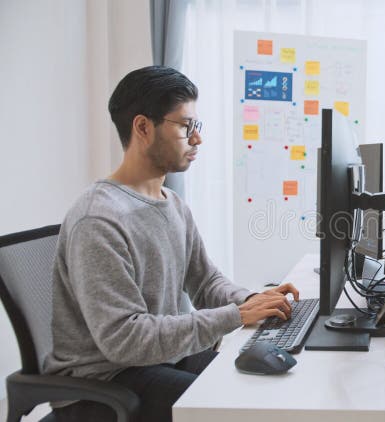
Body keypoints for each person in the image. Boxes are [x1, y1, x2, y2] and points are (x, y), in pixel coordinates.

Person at [43, 66, 299, 422]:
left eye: (198, 127)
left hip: (158, 359)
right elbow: (124, 339)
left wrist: (249, 300)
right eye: (185, 126)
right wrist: (235, 316)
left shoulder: (172, 203)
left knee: (265, 390)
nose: (197, 140)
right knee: (237, 411)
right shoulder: (98, 219)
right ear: (143, 127)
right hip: (106, 381)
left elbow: (206, 281)